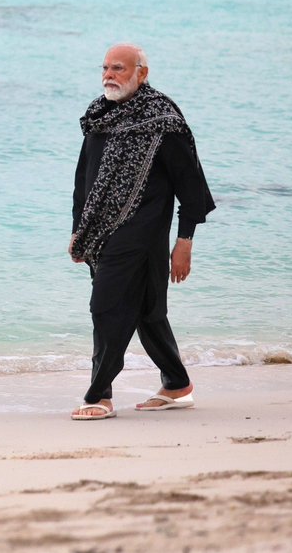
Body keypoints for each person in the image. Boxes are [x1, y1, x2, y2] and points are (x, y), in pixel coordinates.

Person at [68, 43, 215, 420]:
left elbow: (192, 186)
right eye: (104, 68)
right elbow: (84, 178)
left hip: (143, 234)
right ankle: (177, 386)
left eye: (118, 68)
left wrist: (185, 242)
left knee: (105, 307)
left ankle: (99, 395)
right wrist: (77, 229)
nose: (108, 76)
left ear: (141, 73)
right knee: (149, 312)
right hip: (101, 234)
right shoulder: (99, 116)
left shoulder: (163, 120)